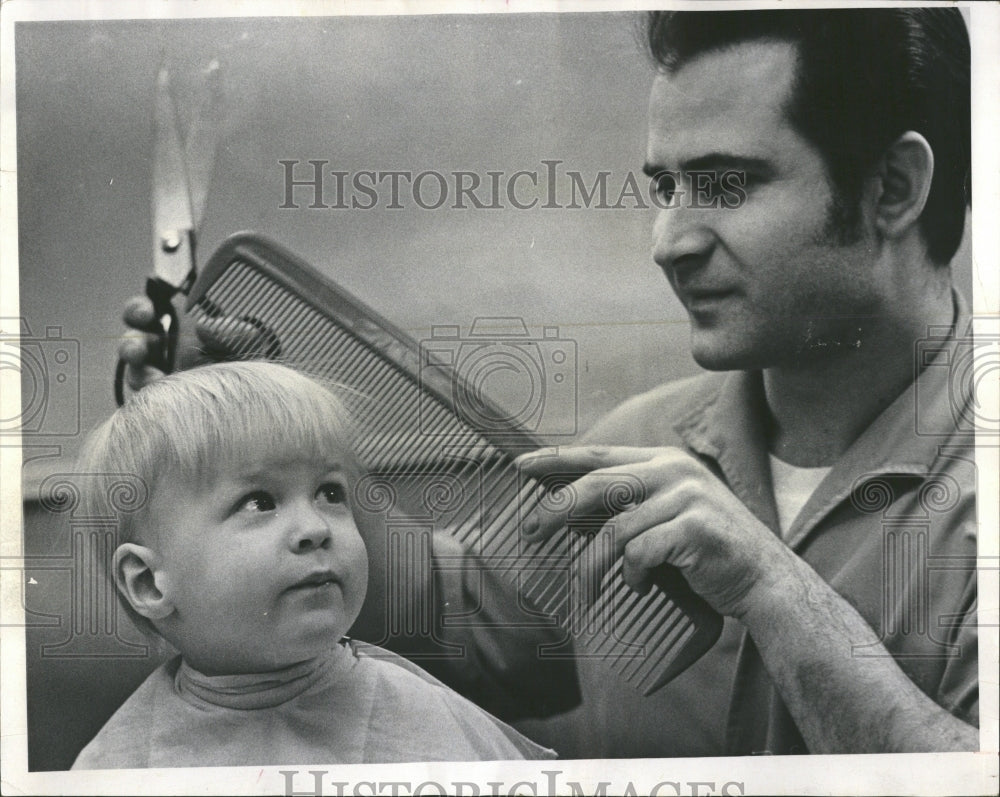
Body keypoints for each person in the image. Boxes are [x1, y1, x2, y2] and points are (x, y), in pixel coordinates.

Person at [118, 8, 979, 757]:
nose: (669, 239)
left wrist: (773, 590)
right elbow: (448, 612)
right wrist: (257, 433)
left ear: (893, 189)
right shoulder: (647, 442)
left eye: (730, 184)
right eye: (666, 187)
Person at [71, 361, 555, 769]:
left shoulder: (426, 717)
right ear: (149, 583)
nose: (316, 527)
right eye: (259, 502)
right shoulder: (117, 764)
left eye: (330, 493)